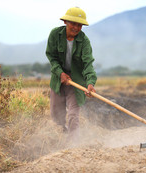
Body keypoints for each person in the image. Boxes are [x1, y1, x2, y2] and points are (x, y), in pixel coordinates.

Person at [46, 7, 97, 141]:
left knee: (74, 114)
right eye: (73, 23)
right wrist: (60, 73)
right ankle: (60, 137)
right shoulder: (55, 35)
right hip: (59, 79)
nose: (76, 27)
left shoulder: (84, 41)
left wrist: (90, 83)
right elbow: (52, 57)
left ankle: (73, 144)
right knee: (57, 115)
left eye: (79, 25)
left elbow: (88, 64)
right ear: (65, 22)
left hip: (76, 81)